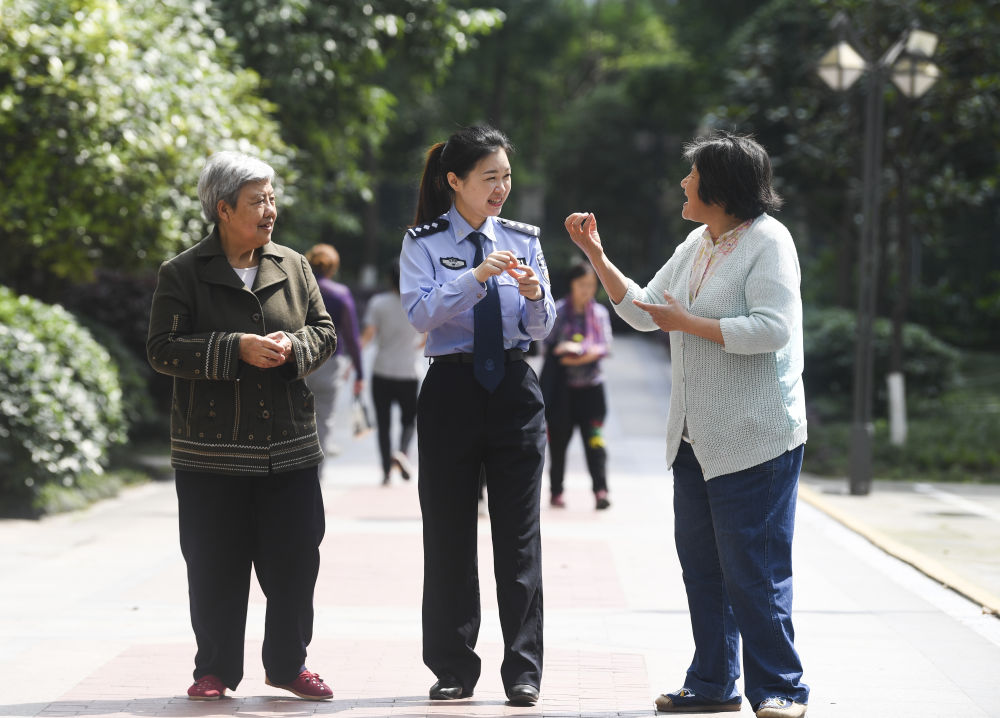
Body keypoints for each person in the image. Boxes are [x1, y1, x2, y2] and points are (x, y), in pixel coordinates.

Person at [564, 131, 810, 718]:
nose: (683, 183)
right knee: (703, 569)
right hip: (695, 439)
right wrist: (596, 255)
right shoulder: (699, 242)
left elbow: (773, 328)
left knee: (755, 571)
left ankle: (781, 688)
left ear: (719, 188)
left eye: (692, 176)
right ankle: (712, 683)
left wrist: (690, 323)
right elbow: (645, 311)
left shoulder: (769, 242)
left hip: (756, 438)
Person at [147, 151, 337, 702]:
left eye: (272, 198)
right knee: (214, 566)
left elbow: (324, 331)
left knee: (296, 561)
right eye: (258, 201)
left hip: (289, 447)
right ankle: (214, 669)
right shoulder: (183, 272)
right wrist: (235, 348)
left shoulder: (294, 266)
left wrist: (293, 347)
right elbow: (161, 349)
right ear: (224, 209)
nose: (270, 209)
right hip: (211, 454)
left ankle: (288, 665)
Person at [399, 125, 555, 707]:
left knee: (519, 537)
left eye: (506, 177)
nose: (500, 188)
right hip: (451, 390)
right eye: (489, 177)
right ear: (455, 181)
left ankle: (523, 670)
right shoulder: (422, 242)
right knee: (448, 534)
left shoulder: (523, 239)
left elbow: (542, 326)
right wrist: (476, 277)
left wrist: (535, 294)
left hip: (514, 389)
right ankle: (452, 667)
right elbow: (419, 315)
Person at [540, 259, 613, 510]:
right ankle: (556, 492)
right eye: (582, 284)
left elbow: (604, 346)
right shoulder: (559, 311)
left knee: (595, 442)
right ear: (571, 284)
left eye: (591, 285)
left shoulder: (600, 314)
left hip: (592, 391)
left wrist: (578, 353)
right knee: (558, 444)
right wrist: (568, 349)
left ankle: (601, 491)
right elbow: (547, 345)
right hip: (562, 393)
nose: (587, 290)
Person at [360, 258, 424, 485]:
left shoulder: (378, 303)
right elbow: (425, 338)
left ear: (389, 279)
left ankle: (386, 472)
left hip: (382, 371)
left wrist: (353, 363)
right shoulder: (418, 302)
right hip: (409, 372)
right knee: (409, 420)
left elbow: (368, 336)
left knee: (383, 423)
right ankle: (402, 452)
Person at [304, 243, 364, 458]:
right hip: (329, 363)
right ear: (332, 267)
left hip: (299, 361)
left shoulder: (298, 289)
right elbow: (351, 337)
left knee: (296, 420)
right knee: (323, 421)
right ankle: (317, 474)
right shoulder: (340, 294)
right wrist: (360, 372)